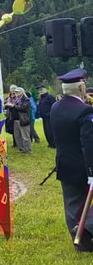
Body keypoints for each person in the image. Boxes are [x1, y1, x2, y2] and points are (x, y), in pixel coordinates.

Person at [49, 68, 93, 252]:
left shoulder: (55, 107)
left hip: (64, 163)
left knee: (72, 204)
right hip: (83, 166)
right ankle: (85, 229)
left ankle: (80, 241)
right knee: (82, 202)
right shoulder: (84, 111)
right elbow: (88, 144)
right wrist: (91, 172)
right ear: (81, 88)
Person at [13, 88, 32, 153]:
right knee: (17, 136)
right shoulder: (16, 100)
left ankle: (28, 150)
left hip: (23, 119)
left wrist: (13, 106)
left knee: (25, 136)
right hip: (16, 119)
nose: (16, 93)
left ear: (22, 92)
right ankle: (22, 149)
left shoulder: (26, 99)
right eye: (15, 92)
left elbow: (23, 108)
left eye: (17, 92)